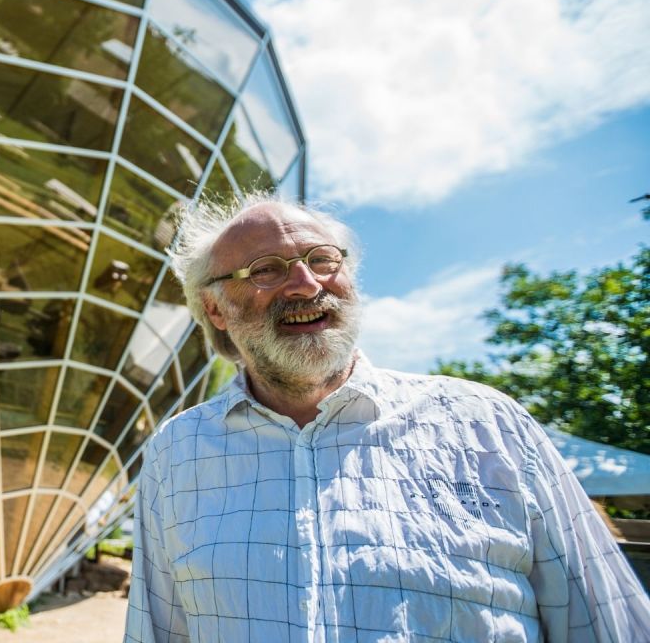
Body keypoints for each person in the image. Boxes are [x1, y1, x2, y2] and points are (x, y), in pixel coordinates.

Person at [123, 193, 650, 642]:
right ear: (215, 309)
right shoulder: (179, 451)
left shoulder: (488, 425)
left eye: (323, 259)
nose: (306, 285)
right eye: (266, 270)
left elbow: (610, 623)